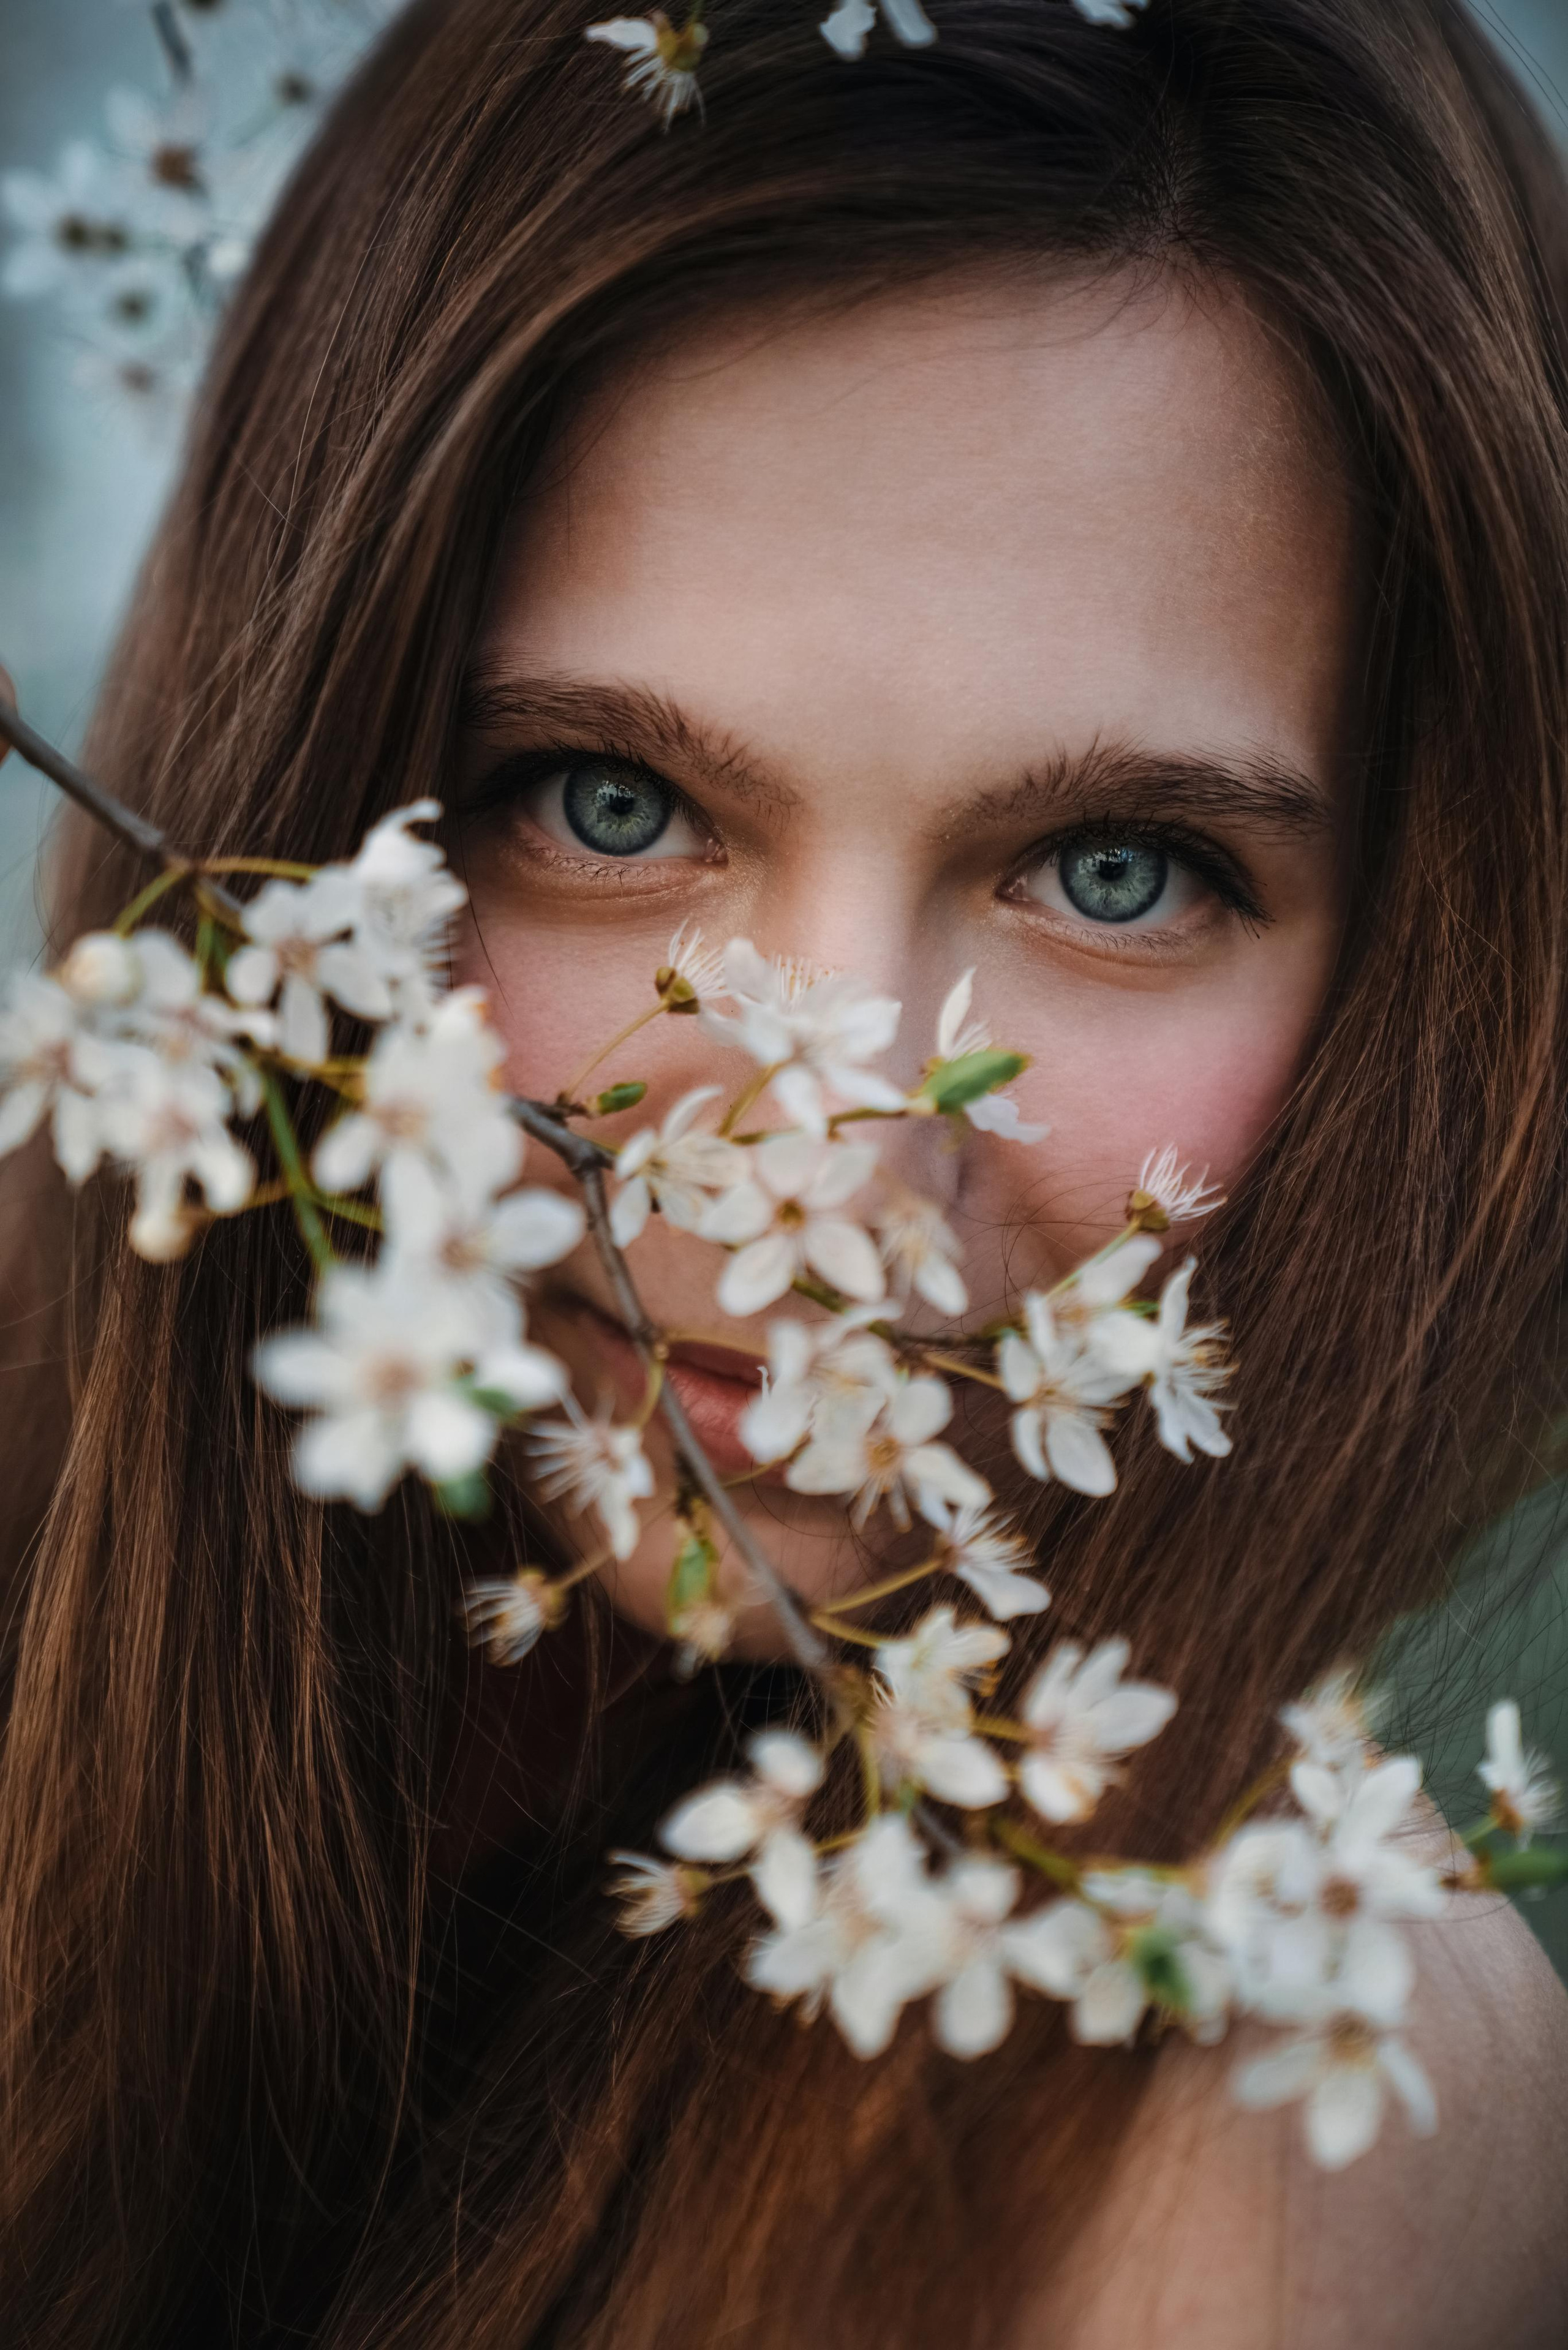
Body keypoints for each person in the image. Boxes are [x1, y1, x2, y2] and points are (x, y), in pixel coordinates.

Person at [2, 0, 1567, 2341]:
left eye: (1122, 871)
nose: (826, 1182)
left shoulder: (1275, 2060)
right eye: (608, 807)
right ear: (295, 815)